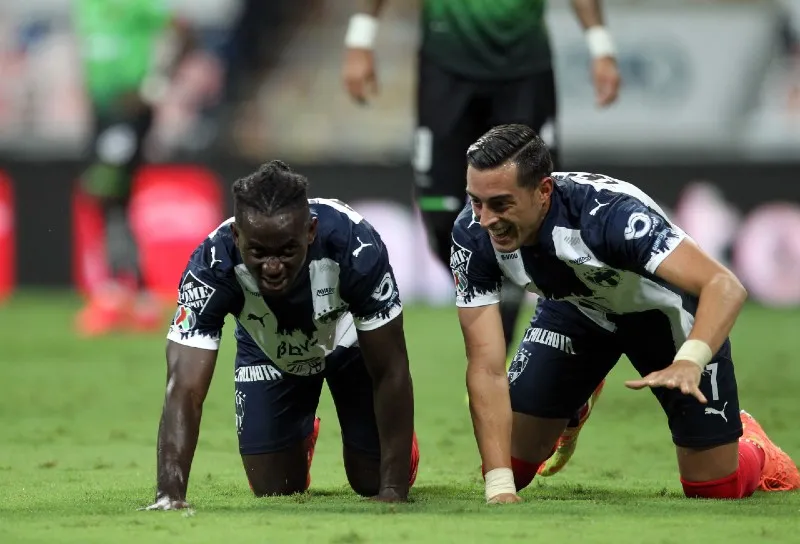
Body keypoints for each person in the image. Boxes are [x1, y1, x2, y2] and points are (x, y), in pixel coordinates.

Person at [451, 124, 800, 504]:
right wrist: (499, 487)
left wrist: (690, 359)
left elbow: (725, 286)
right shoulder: (472, 234)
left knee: (714, 488)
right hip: (577, 309)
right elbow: (485, 365)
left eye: (501, 204)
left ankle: (754, 445)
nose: (485, 219)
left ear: (543, 191)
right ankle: (573, 403)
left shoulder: (609, 216)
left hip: (662, 318)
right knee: (507, 469)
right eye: (476, 201)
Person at [342, 0, 621, 358]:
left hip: (524, 66)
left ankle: (552, 342)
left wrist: (600, 47)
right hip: (447, 64)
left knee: (540, 207)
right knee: (440, 217)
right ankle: (500, 288)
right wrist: (360, 39)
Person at [143, 161, 419, 510]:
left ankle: (396, 447)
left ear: (311, 232)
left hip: (349, 345)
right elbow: (184, 387)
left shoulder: (355, 244)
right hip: (268, 351)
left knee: (371, 480)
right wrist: (169, 495)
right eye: (258, 252)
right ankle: (300, 434)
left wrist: (393, 489)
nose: (273, 267)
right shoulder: (211, 265)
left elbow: (392, 369)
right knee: (275, 488)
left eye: (287, 251)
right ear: (236, 237)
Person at [73, 0, 195, 336]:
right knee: (115, 196)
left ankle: (116, 293)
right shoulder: (86, 7)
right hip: (101, 110)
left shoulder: (138, 3)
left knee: (105, 187)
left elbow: (185, 30)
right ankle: (138, 296)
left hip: (131, 107)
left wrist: (155, 83)